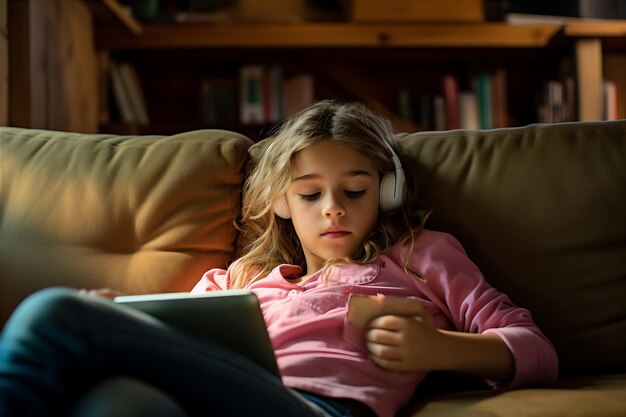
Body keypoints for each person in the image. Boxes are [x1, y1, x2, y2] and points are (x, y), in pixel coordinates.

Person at [0, 101, 558, 417]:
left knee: (52, 315)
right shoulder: (239, 279)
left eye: (355, 191)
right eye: (311, 194)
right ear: (283, 203)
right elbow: (171, 341)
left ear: (386, 193)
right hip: (214, 401)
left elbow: (535, 350)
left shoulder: (420, 256)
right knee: (116, 404)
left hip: (317, 411)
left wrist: (440, 349)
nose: (333, 210)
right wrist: (125, 319)